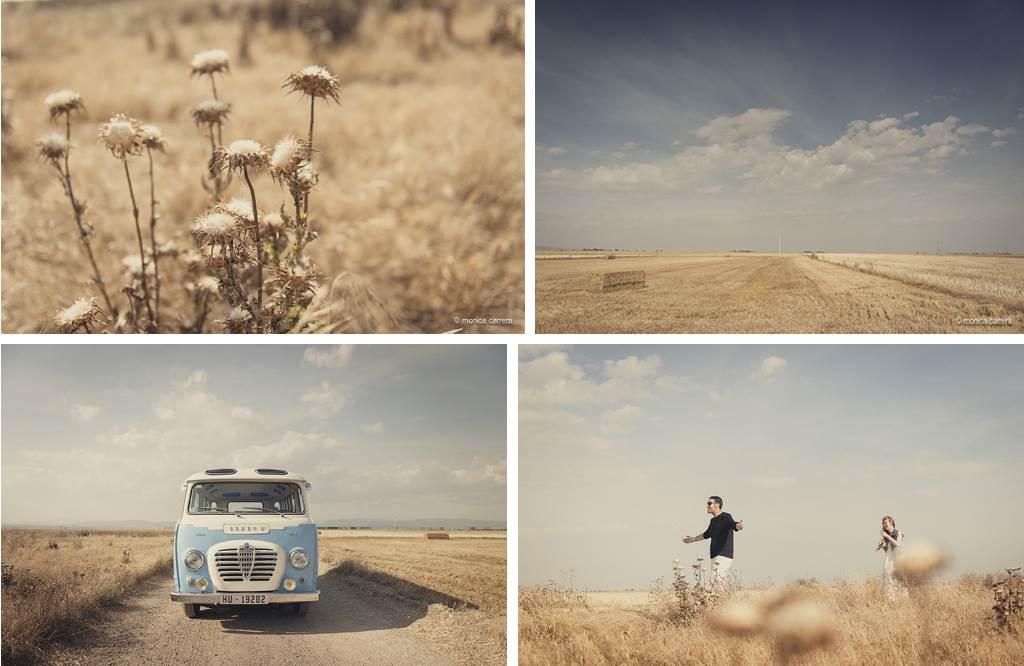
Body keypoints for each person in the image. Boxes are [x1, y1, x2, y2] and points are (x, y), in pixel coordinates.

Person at [683, 495, 743, 591]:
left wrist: (737, 525)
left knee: (715, 581)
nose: (707, 505)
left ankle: (718, 602)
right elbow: (706, 534)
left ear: (717, 505)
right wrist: (693, 539)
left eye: (709, 503)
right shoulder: (713, 521)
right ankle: (726, 602)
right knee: (718, 582)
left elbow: (732, 524)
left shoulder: (725, 516)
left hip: (724, 554)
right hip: (715, 555)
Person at [877, 515, 907, 601]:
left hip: (899, 559)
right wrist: (882, 545)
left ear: (891, 523)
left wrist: (887, 537)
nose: (884, 525)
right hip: (890, 559)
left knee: (901, 580)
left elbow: (898, 545)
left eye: (885, 523)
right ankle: (892, 600)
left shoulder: (898, 533)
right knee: (889, 579)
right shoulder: (886, 536)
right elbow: (888, 551)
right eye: (883, 523)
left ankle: (904, 600)